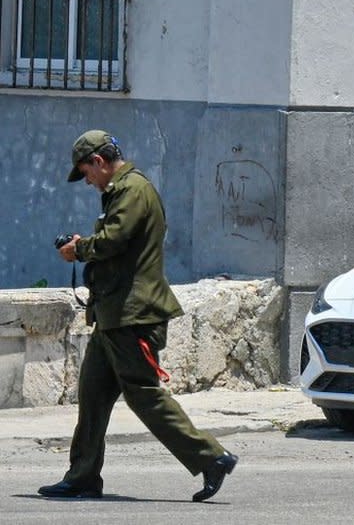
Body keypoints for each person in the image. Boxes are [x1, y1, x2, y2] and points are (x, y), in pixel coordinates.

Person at [38, 130, 238, 501]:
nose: (87, 181)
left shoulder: (131, 189)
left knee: (144, 393)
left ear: (98, 162)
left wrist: (79, 249)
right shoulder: (123, 191)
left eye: (86, 172)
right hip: (114, 315)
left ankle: (212, 457)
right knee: (93, 396)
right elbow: (117, 243)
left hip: (132, 315)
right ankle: (82, 476)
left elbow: (114, 240)